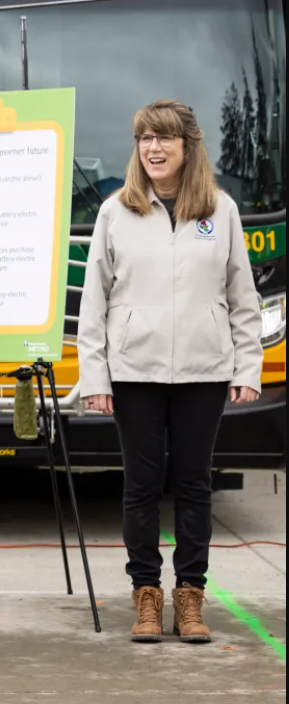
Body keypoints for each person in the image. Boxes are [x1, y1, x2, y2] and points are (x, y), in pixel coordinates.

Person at [77, 99, 263, 645]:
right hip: (134, 371)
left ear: (188, 147)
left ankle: (189, 597)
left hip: (204, 371)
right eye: (144, 139)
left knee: (193, 485)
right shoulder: (116, 211)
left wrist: (246, 365)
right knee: (140, 487)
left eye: (165, 139)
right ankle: (145, 595)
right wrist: (95, 377)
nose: (153, 148)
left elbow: (242, 298)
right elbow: (95, 301)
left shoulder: (220, 211)